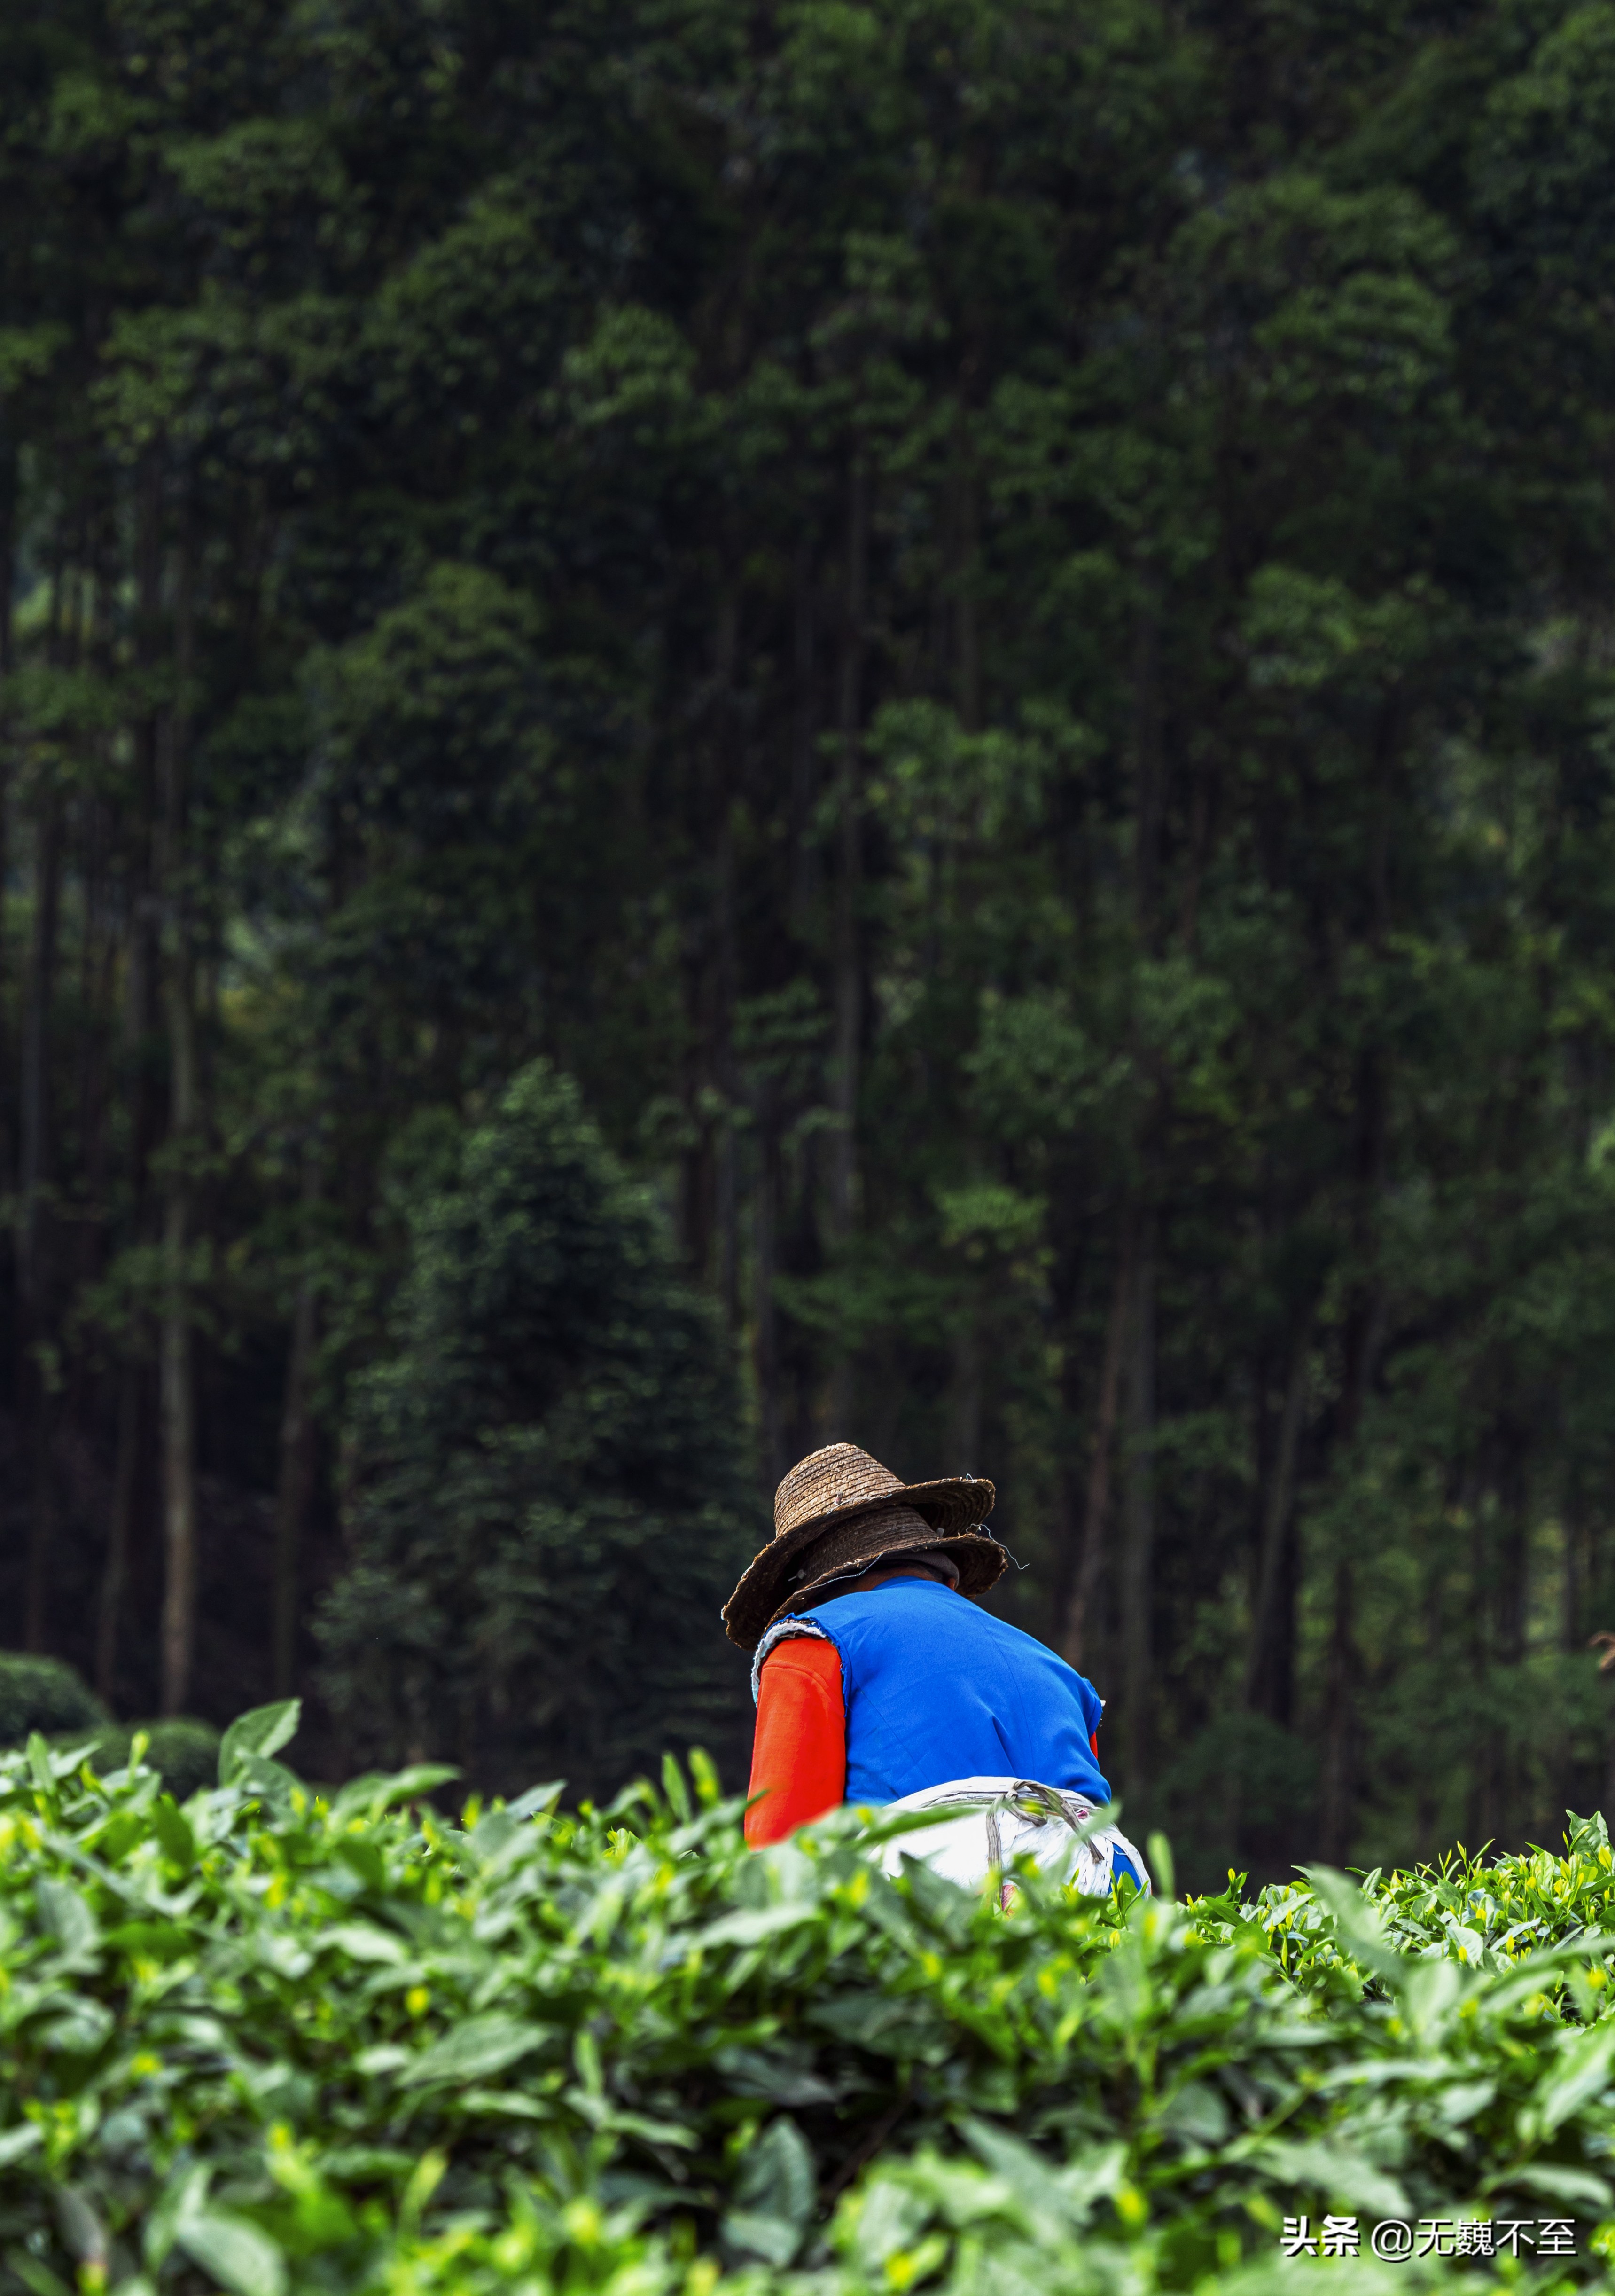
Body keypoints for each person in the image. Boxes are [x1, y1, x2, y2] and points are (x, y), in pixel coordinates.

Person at [723, 1441, 1146, 1894]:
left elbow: (780, 1852)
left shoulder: (813, 1641)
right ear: (941, 1569)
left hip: (950, 1889)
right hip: (1109, 1882)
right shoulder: (1060, 1672)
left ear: (816, 1590)